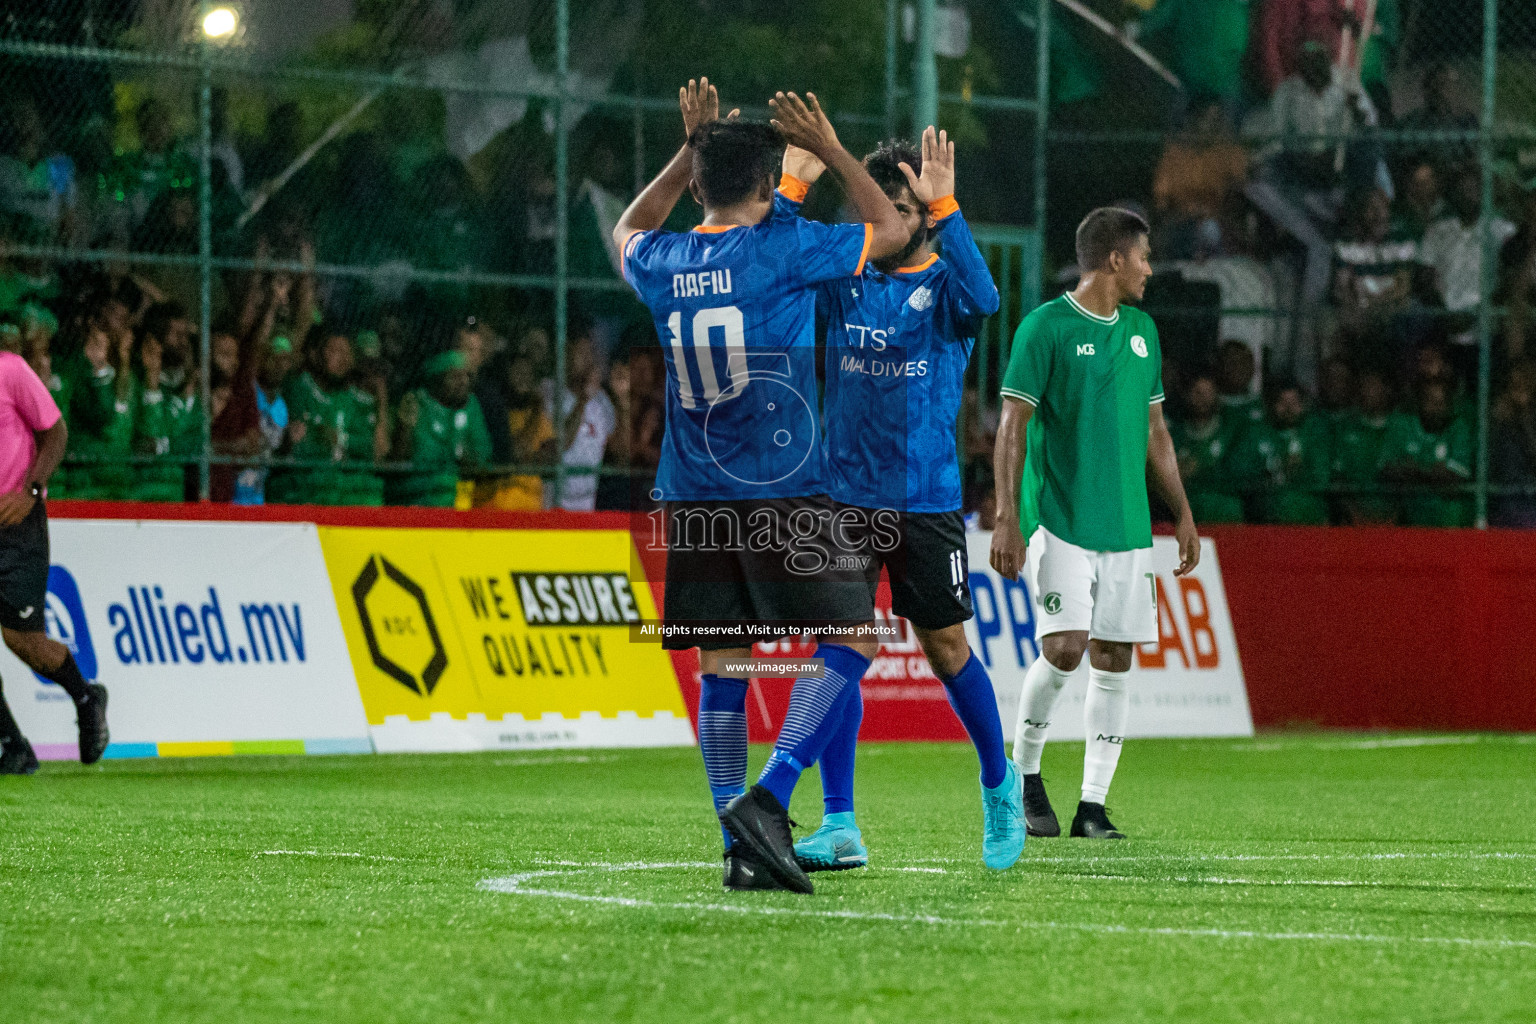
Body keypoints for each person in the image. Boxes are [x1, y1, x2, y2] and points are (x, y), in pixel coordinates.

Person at [614, 80, 907, 894]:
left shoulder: (664, 260)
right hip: (781, 488)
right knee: (854, 637)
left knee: (724, 666)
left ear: (704, 182)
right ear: (767, 176)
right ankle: (770, 798)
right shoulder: (782, 250)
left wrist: (689, 148)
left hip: (693, 494)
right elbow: (892, 227)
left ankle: (735, 844)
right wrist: (838, 149)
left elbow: (628, 225)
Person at [778, 129, 1023, 873]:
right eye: (872, 204)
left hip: (925, 500)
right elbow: (780, 258)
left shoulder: (949, 283)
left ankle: (999, 783)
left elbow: (988, 298)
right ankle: (840, 822)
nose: (879, 219)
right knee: (835, 649)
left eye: (897, 207)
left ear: (922, 216)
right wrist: (794, 186)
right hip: (843, 497)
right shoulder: (846, 275)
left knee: (946, 649)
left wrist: (947, 205)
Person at [991, 207, 1200, 841]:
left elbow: (1156, 433)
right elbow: (1011, 428)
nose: (1149, 268)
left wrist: (1183, 513)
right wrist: (1005, 516)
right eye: (1143, 256)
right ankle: (1024, 776)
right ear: (1113, 259)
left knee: (1113, 659)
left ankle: (1092, 806)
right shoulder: (1045, 327)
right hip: (1061, 520)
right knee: (1065, 648)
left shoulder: (1142, 331)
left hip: (1130, 526)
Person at [0, 346, 109, 773]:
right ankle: (14, 747)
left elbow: (56, 432)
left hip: (17, 525)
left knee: (24, 640)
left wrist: (31, 490)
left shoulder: (9, 369)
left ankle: (87, 698)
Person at [267, 328, 387, 507]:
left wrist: (340, 439)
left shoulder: (358, 400)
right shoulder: (299, 388)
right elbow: (300, 444)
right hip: (304, 494)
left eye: (347, 353)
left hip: (347, 495)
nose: (343, 359)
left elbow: (371, 449)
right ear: (316, 355)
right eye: (334, 351)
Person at [1419, 166, 1517, 373]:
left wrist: (1475, 314)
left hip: (1487, 327)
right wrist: (1445, 315)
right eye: (1462, 187)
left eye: (1474, 187)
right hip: (1444, 325)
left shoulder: (1502, 230)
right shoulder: (1437, 231)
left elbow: (1509, 280)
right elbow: (1425, 279)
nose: (1468, 193)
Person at [388, 351, 493, 507]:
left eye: (466, 376)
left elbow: (482, 459)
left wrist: (464, 455)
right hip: (412, 501)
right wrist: (405, 428)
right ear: (436, 380)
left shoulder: (471, 406)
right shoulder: (415, 403)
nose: (463, 382)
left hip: (455, 503)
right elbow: (398, 461)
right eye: (455, 377)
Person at [1225, 379, 1330, 524]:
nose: (1289, 409)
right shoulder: (1256, 432)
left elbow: (1322, 476)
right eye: (1283, 403)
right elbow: (1239, 472)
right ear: (1271, 405)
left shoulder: (1315, 433)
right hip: (1265, 515)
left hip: (1307, 516)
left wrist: (1299, 470)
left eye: (1294, 403)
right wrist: (1274, 468)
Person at [540, 328, 616, 513]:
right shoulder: (549, 391)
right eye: (580, 352)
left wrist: (622, 402)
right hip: (553, 503)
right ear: (565, 355)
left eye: (589, 352)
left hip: (587, 504)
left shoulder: (601, 399)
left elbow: (618, 449)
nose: (587, 359)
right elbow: (561, 443)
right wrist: (583, 399)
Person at [1380, 378, 1473, 528]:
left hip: (1447, 523)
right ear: (1419, 403)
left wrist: (1414, 470)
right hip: (1409, 522)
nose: (1436, 408)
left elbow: (1455, 476)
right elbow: (1387, 470)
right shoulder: (1403, 425)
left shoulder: (1458, 428)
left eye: (1441, 403)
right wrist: (1432, 472)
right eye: (1430, 401)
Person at [478, 349, 555, 511]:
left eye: (528, 373)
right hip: (498, 509)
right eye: (518, 372)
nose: (523, 378)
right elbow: (515, 454)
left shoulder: (538, 416)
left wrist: (527, 460)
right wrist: (537, 408)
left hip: (531, 509)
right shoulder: (496, 412)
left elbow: (551, 459)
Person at [1170, 373, 1245, 523]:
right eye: (1198, 392)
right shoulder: (1175, 433)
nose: (1203, 399)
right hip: (1185, 506)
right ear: (1187, 394)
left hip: (1222, 504)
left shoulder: (1232, 430)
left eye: (1209, 393)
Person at [1330, 367, 1396, 524]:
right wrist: (1354, 515)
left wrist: (1395, 518)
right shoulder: (1346, 429)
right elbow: (1338, 479)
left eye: (1373, 386)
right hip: (1353, 523)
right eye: (1363, 386)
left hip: (1395, 525)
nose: (1366, 392)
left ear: (1386, 390)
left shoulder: (1402, 427)